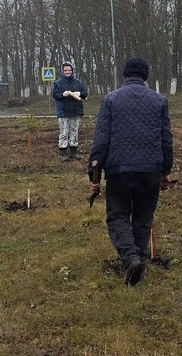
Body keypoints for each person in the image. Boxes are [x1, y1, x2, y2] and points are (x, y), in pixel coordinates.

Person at [88, 56, 173, 286]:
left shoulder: (110, 100)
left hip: (119, 170)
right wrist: (166, 171)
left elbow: (100, 140)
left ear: (124, 75)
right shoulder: (159, 101)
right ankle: (138, 261)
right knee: (143, 218)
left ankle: (130, 258)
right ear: (146, 76)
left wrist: (93, 173)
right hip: (151, 169)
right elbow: (166, 139)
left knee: (117, 215)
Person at [52, 61, 88, 161]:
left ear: (72, 71)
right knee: (64, 132)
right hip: (63, 111)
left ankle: (73, 151)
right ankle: (63, 152)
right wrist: (62, 95)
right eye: (65, 70)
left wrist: (79, 93)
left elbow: (85, 93)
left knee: (74, 131)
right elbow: (55, 95)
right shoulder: (58, 83)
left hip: (76, 111)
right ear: (62, 71)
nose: (67, 72)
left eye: (69, 70)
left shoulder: (78, 82)